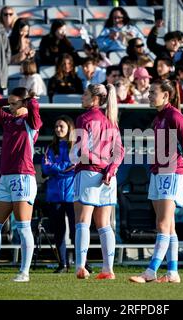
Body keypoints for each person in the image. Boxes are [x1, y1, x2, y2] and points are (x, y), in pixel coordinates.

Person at [129, 79, 183, 283]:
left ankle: (151, 271)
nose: (149, 95)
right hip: (158, 171)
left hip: (172, 172)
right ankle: (173, 273)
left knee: (162, 224)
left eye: (153, 92)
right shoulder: (159, 117)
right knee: (168, 226)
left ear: (166, 96)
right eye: (149, 92)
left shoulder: (175, 116)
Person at [0, 88, 43, 282]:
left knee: (23, 227)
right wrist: (11, 99)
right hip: (5, 178)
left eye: (15, 104)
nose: (10, 107)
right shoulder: (8, 120)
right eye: (10, 104)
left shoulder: (31, 122)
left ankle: (24, 272)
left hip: (23, 178)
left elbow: (35, 111)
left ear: (25, 104)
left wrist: (30, 100)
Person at [73, 83, 124, 280]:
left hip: (88, 173)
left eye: (85, 94)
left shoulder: (83, 118)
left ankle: (80, 267)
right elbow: (119, 152)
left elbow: (83, 151)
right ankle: (108, 269)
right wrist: (110, 170)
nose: (82, 97)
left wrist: (98, 165)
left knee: (83, 222)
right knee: (104, 224)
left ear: (95, 99)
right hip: (108, 177)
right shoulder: (111, 120)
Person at [41, 115, 76, 273]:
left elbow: (72, 166)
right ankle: (63, 264)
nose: (58, 129)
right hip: (54, 195)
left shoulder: (76, 147)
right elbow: (45, 169)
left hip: (72, 194)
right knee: (58, 231)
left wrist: (56, 169)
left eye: (61, 126)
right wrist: (60, 169)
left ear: (69, 128)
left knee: (77, 231)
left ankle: (82, 263)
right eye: (56, 126)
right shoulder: (50, 147)